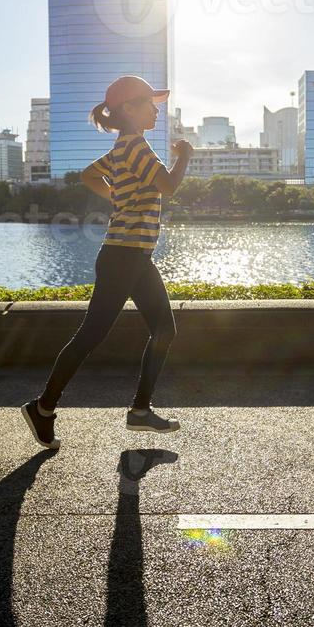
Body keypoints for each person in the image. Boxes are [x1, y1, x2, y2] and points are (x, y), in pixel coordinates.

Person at [20, 75, 194, 450]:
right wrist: (184, 158)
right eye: (150, 102)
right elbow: (168, 186)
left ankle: (140, 410)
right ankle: (43, 407)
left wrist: (115, 196)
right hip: (123, 256)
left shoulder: (123, 148)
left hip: (133, 256)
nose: (156, 109)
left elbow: (88, 175)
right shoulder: (137, 147)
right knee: (93, 334)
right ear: (129, 108)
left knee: (163, 328)